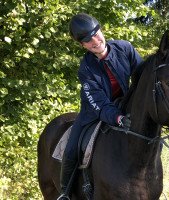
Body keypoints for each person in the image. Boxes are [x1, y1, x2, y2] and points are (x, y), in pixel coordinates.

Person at [57, 13, 143, 200]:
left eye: (96, 34)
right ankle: (64, 193)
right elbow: (100, 104)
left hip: (123, 106)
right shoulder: (86, 69)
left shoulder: (125, 48)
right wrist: (118, 118)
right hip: (94, 113)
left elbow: (142, 79)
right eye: (88, 40)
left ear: (101, 30)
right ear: (83, 46)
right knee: (71, 149)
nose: (95, 41)